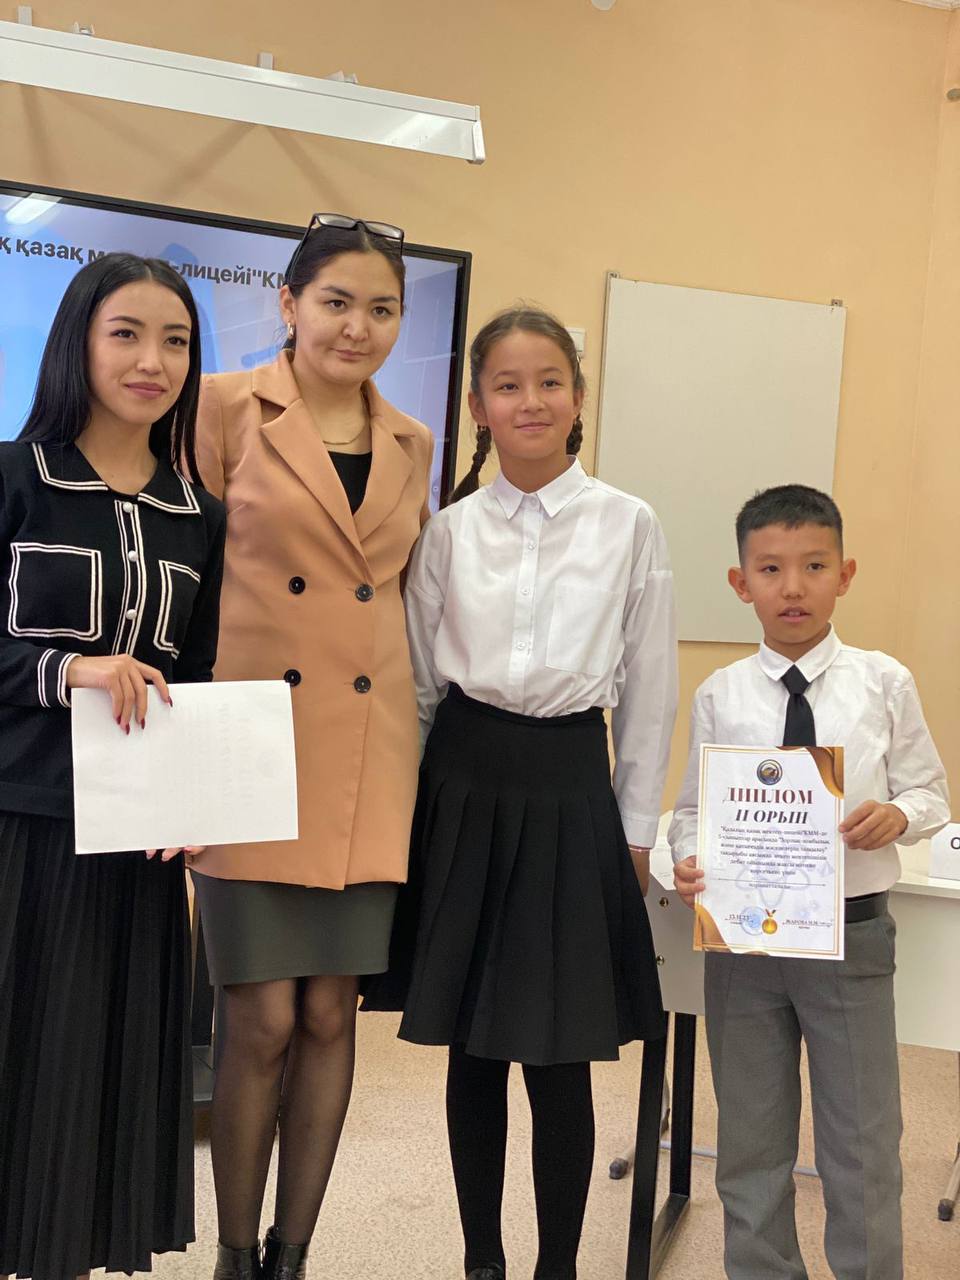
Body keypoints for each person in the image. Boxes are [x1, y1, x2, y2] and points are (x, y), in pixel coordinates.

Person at [366, 305, 676, 1280]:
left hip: (571, 785)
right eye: (508, 384)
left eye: (550, 382)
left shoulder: (629, 523)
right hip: (463, 782)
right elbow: (419, 690)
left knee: (558, 1049)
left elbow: (651, 690)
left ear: (578, 399)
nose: (530, 400)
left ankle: (556, 1268)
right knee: (472, 1044)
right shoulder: (449, 532)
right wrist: (407, 822)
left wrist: (633, 830)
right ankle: (482, 1260)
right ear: (478, 405)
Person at [188, 213, 434, 1280]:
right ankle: (235, 1255)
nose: (357, 326)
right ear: (288, 303)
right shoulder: (218, 407)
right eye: (336, 302)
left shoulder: (413, 442)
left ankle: (293, 1256)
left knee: (333, 1013)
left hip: (368, 757)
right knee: (259, 1017)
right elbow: (182, 572)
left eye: (382, 308)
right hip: (248, 745)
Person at [0, 252, 226, 1280]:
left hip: (134, 844)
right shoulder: (15, 478)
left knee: (93, 1077)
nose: (152, 361)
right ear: (78, 343)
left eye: (175, 340)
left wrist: (196, 797)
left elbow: (198, 676)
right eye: (126, 334)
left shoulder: (197, 515)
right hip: (20, 822)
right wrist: (67, 668)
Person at [670, 484, 950, 1280]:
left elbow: (931, 794)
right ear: (741, 583)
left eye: (814, 566)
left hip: (850, 936)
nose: (792, 587)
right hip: (742, 943)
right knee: (749, 1139)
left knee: (862, 1141)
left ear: (845, 574)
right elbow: (691, 811)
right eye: (770, 569)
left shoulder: (883, 682)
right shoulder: (721, 693)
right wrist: (688, 857)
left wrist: (899, 815)